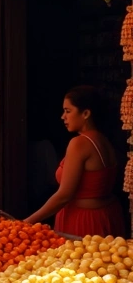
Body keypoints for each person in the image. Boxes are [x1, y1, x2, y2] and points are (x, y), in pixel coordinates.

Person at [24, 86, 122, 236]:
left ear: (86, 113)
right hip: (106, 214)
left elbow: (64, 195)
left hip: (84, 221)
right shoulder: (104, 140)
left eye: (68, 111)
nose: (63, 117)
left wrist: (27, 222)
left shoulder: (79, 144)